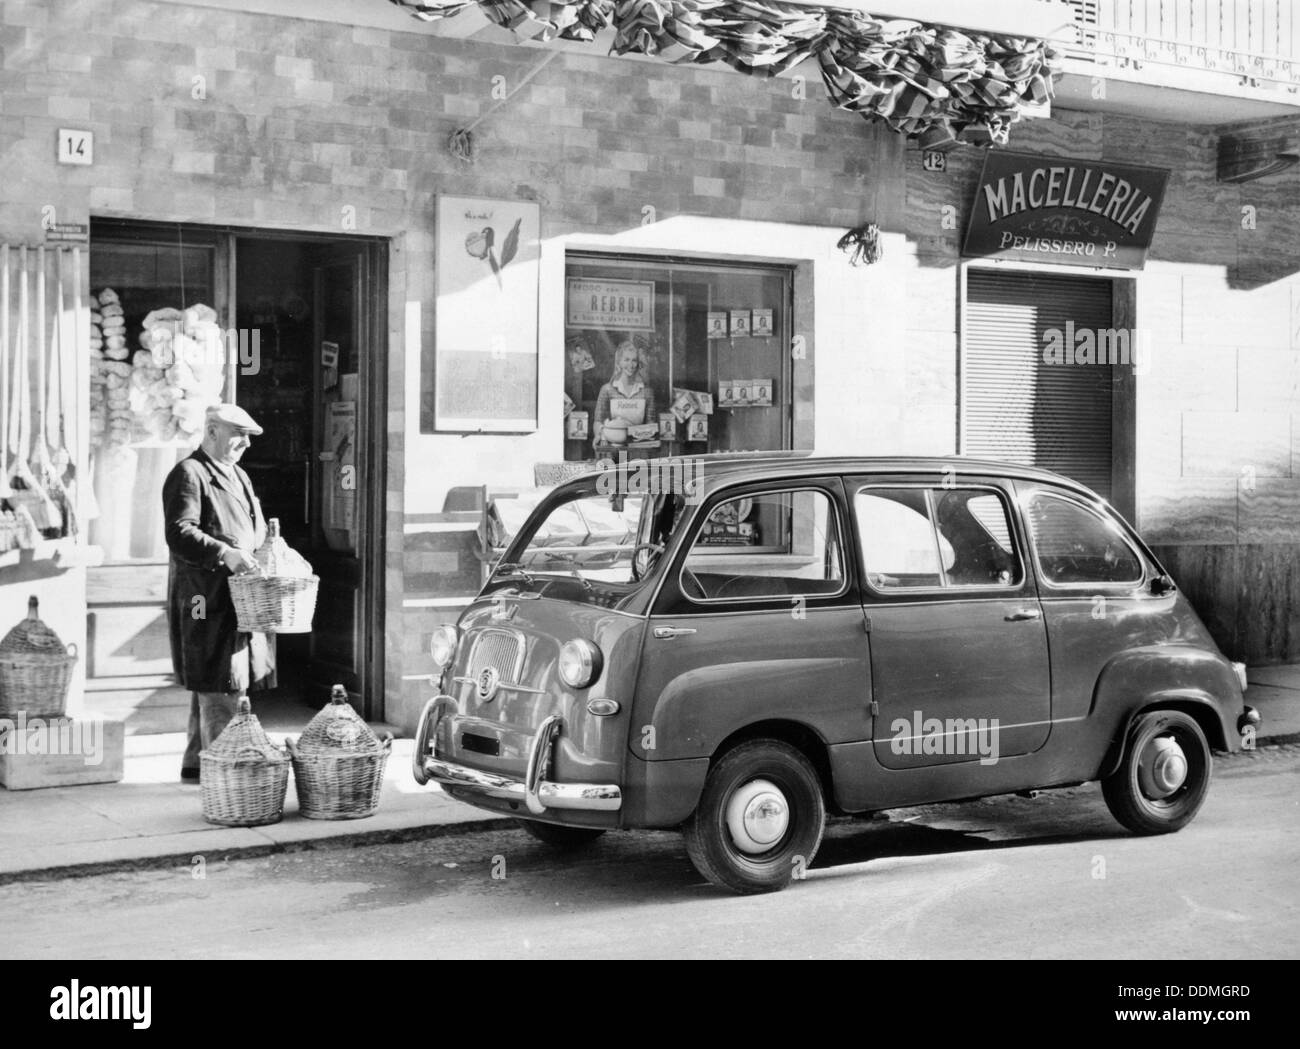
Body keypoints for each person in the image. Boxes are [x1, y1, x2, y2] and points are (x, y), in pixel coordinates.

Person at [163, 404, 276, 782]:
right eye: (238, 433)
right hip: (200, 599)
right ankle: (225, 777)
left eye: (248, 436)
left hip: (235, 597)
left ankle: (197, 764)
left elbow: (251, 530)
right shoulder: (189, 473)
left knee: (218, 678)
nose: (245, 443)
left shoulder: (238, 475)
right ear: (211, 430)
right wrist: (224, 553)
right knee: (219, 678)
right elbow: (180, 532)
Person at [593, 341, 657, 447]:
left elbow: (651, 425)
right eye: (626, 360)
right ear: (619, 362)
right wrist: (599, 435)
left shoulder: (647, 392)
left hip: (637, 448)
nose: (631, 365)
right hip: (612, 446)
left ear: (638, 364)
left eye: (634, 360)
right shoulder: (607, 389)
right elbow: (598, 420)